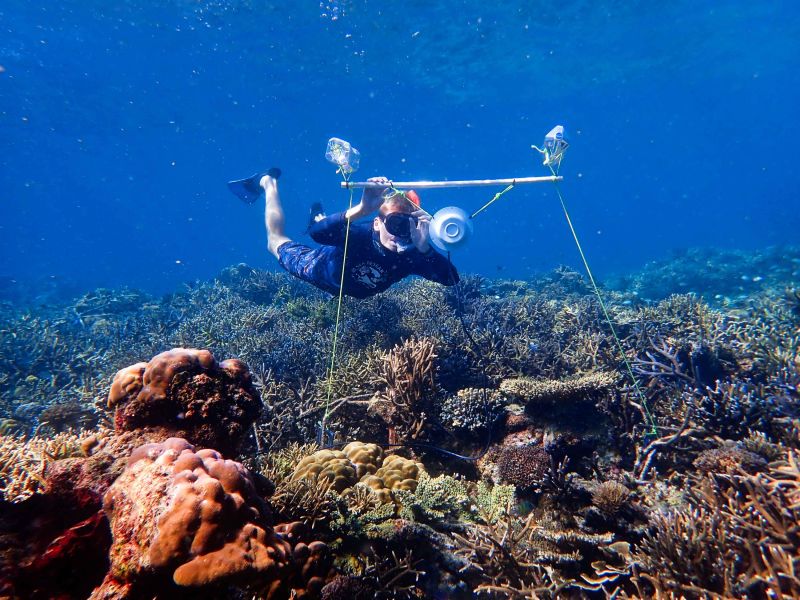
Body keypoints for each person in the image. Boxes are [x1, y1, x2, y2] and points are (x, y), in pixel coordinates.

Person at [259, 169, 459, 298]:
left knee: (327, 226)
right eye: (394, 223)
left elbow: (451, 279)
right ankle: (269, 183)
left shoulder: (413, 255)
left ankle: (320, 216)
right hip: (318, 270)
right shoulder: (360, 236)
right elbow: (317, 235)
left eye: (407, 226)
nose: (399, 234)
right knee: (274, 240)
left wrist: (425, 250)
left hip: (351, 289)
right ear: (377, 223)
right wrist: (362, 209)